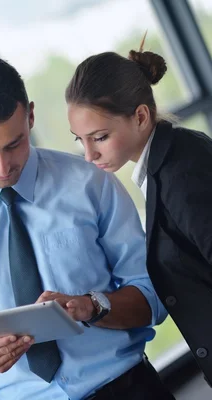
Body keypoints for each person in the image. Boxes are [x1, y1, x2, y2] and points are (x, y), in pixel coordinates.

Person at [0, 57, 173, 400]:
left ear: (30, 116)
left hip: (127, 389)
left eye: (13, 144)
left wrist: (94, 307)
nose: (2, 166)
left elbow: (153, 294)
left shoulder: (90, 183)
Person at [66, 37, 212, 385]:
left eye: (99, 137)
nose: (89, 155)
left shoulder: (182, 171)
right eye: (79, 139)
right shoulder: (169, 163)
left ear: (141, 117)